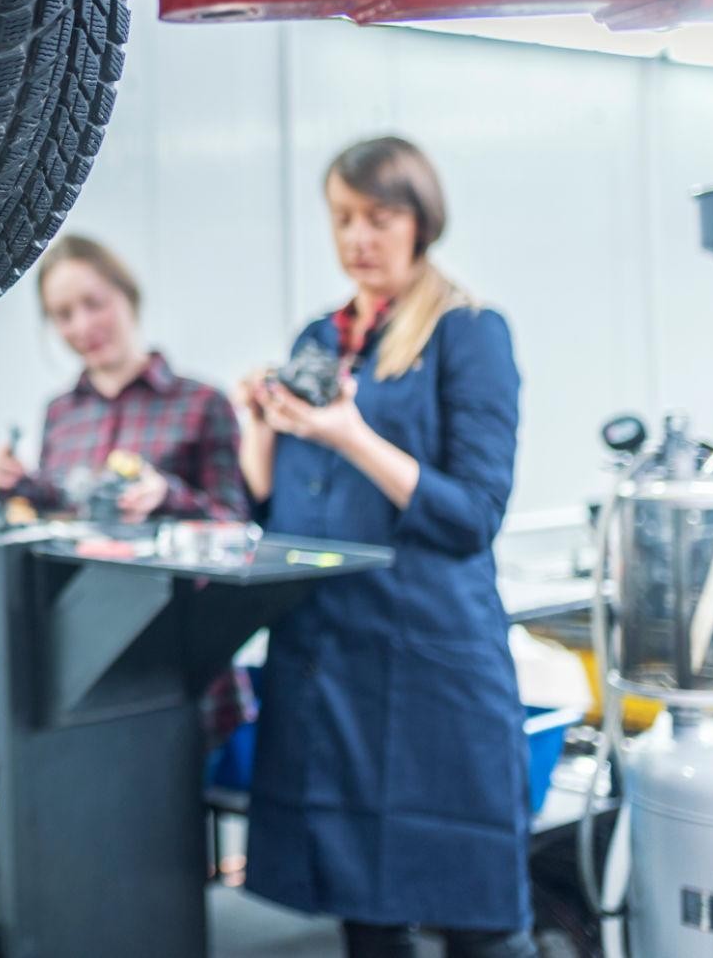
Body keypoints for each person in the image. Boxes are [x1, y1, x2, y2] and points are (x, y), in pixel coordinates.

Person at [237, 136, 533, 958]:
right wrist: (257, 430)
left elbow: (472, 512)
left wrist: (350, 433)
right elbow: (275, 506)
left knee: (480, 920)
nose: (358, 237)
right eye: (342, 218)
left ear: (420, 218)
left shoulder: (468, 332)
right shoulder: (319, 337)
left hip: (434, 658)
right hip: (329, 658)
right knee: (363, 914)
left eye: (378, 216)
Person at [0, 234, 245, 524]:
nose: (82, 326)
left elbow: (233, 525)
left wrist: (166, 497)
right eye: (63, 315)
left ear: (128, 295)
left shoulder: (204, 403)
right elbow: (57, 509)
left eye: (94, 304)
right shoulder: (59, 412)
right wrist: (17, 484)